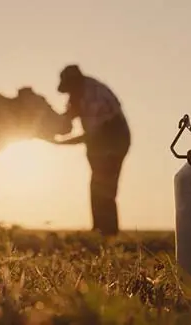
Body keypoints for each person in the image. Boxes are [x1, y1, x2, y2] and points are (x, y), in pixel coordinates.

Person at [53, 64, 131, 237]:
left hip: (113, 139)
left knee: (104, 186)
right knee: (98, 184)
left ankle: (107, 233)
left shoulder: (94, 96)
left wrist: (60, 143)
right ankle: (100, 231)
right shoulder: (78, 95)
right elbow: (67, 120)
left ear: (75, 83)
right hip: (99, 143)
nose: (68, 95)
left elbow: (92, 135)